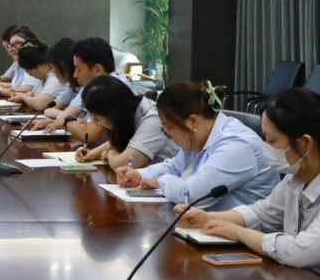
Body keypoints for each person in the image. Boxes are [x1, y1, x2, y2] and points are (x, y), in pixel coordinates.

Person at [177, 88, 320, 280]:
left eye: (271, 140)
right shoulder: (299, 175)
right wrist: (209, 218)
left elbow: (301, 251)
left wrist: (239, 233)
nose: (266, 148)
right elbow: (263, 213)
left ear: (305, 143)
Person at [115, 82, 279, 209]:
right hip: (211, 226)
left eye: (169, 127)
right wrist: (139, 175)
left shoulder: (237, 145)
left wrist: (159, 181)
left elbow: (192, 196)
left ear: (192, 121)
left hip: (242, 236)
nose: (169, 136)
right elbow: (175, 166)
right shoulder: (200, 136)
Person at [72, 75, 177, 169]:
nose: (96, 123)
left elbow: (124, 165)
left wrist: (109, 152)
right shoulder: (133, 112)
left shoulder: (152, 120)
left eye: (97, 119)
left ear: (113, 113)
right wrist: (93, 153)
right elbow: (116, 142)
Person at [44, 37, 137, 141]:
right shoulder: (100, 86)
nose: (75, 75)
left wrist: (68, 122)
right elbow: (84, 124)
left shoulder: (112, 90)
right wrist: (64, 122)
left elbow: (88, 135)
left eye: (79, 69)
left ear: (97, 69)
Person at [9, 43, 68, 111]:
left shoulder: (56, 79)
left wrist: (23, 97)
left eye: (29, 69)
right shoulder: (43, 78)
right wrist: (21, 95)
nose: (29, 74)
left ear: (41, 65)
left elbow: (39, 105)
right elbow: (33, 93)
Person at [0, 27, 43, 98]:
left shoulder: (35, 63)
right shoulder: (18, 62)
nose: (13, 48)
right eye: (11, 45)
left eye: (18, 43)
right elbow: (15, 87)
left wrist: (0, 90)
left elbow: (25, 90)